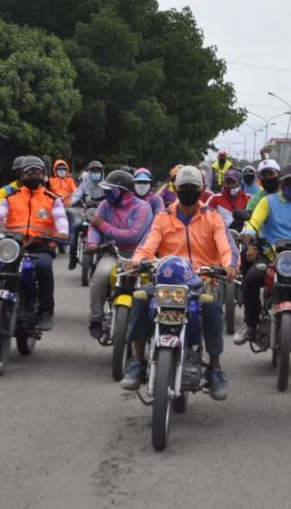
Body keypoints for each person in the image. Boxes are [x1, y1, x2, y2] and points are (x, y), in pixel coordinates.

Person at [120, 165, 239, 400]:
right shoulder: (163, 217)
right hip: (165, 280)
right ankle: (138, 361)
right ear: (175, 188)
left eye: (193, 188)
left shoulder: (213, 217)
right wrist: (136, 262)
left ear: (202, 189)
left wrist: (229, 265)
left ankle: (215, 368)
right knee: (141, 299)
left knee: (213, 306)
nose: (188, 192)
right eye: (183, 187)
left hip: (201, 281)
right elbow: (147, 245)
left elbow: (226, 247)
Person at [234, 164, 291, 345]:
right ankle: (251, 324)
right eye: (286, 182)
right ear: (280, 183)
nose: (289, 185)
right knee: (250, 279)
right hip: (272, 256)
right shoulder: (267, 202)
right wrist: (248, 234)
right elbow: (254, 221)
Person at [0, 157, 68, 332]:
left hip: (40, 246)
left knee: (44, 267)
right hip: (12, 246)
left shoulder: (52, 199)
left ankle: (46, 311)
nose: (33, 175)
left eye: (38, 172)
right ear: (22, 175)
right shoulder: (11, 197)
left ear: (44, 175)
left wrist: (62, 232)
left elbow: (61, 219)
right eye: (29, 172)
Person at [84, 170, 154, 338]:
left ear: (123, 191)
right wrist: (92, 243)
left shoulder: (142, 207)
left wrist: (104, 226)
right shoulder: (104, 205)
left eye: (110, 190)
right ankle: (96, 318)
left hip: (140, 255)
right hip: (114, 252)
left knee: (149, 287)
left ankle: (152, 322)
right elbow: (94, 226)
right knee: (100, 276)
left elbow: (133, 235)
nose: (106, 193)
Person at [68, 160, 106, 270]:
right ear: (89, 172)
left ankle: (107, 256)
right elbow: (77, 194)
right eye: (93, 171)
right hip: (87, 215)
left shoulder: (106, 186)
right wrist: (73, 201)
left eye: (97, 170)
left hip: (102, 217)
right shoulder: (84, 185)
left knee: (110, 233)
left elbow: (112, 196)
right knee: (75, 228)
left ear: (102, 172)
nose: (95, 173)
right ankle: (72, 257)